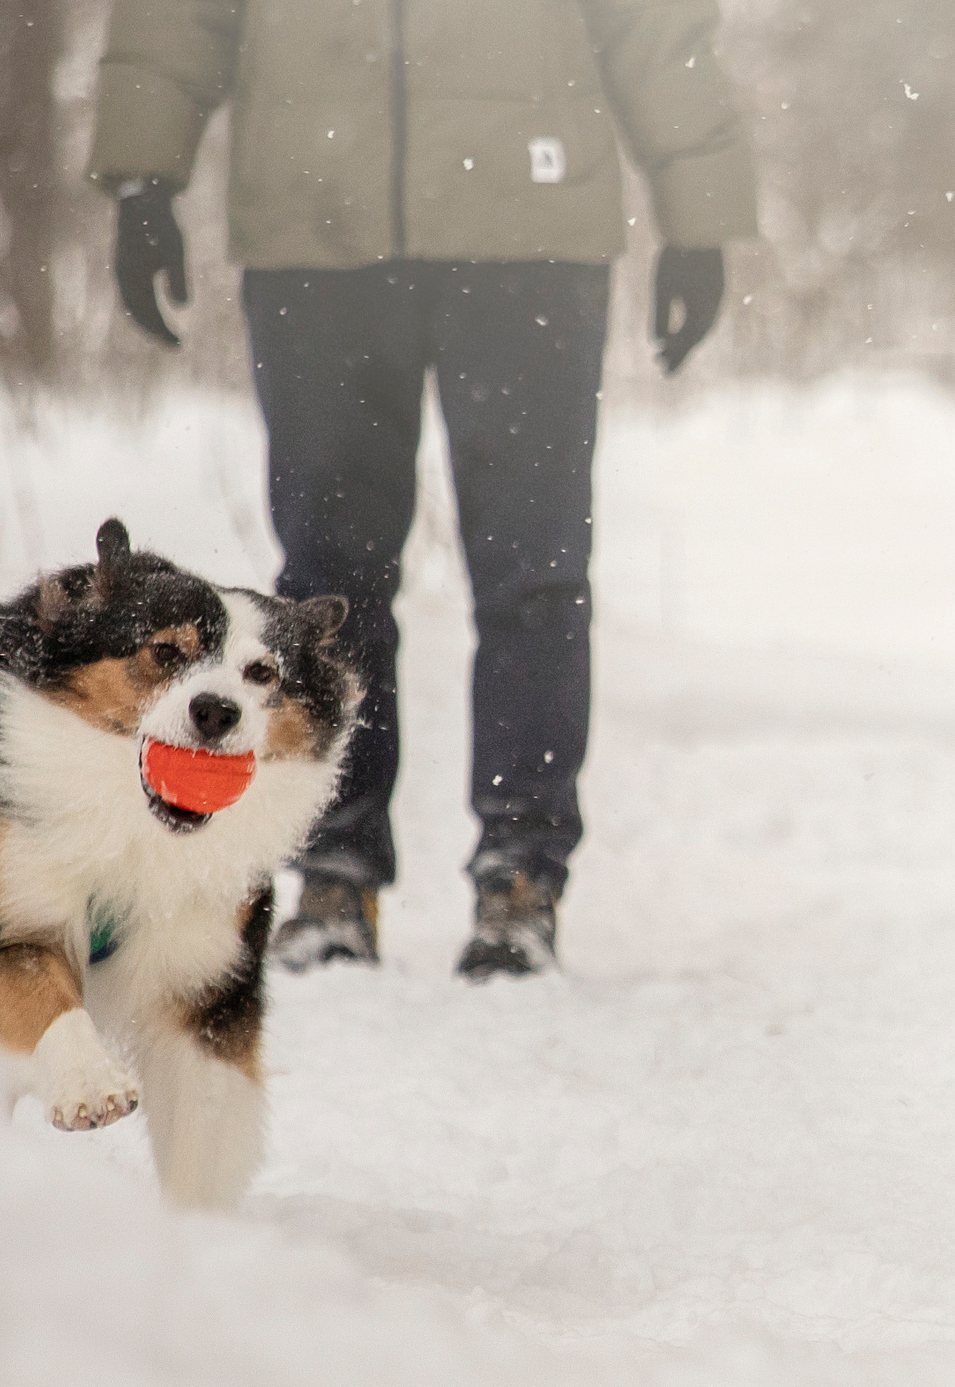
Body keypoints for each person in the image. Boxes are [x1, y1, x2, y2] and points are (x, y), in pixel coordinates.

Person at [86, 0, 757, 979]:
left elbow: (649, 21)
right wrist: (146, 175)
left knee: (533, 572)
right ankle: (333, 867)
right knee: (327, 581)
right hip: (317, 227)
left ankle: (520, 876)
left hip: (529, 235)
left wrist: (698, 208)